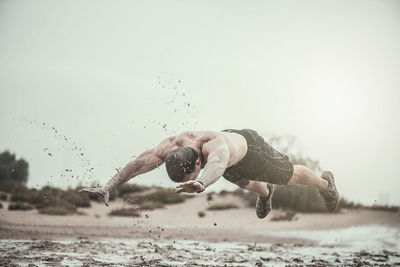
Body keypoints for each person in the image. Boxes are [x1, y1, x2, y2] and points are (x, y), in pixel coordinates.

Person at [80, 129, 339, 218]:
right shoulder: (171, 146)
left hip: (251, 150)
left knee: (289, 175)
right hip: (229, 159)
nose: (191, 181)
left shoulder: (216, 149)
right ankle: (265, 192)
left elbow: (217, 165)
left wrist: (202, 183)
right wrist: (108, 186)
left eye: (190, 177)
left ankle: (324, 185)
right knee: (244, 183)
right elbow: (137, 164)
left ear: (196, 166)